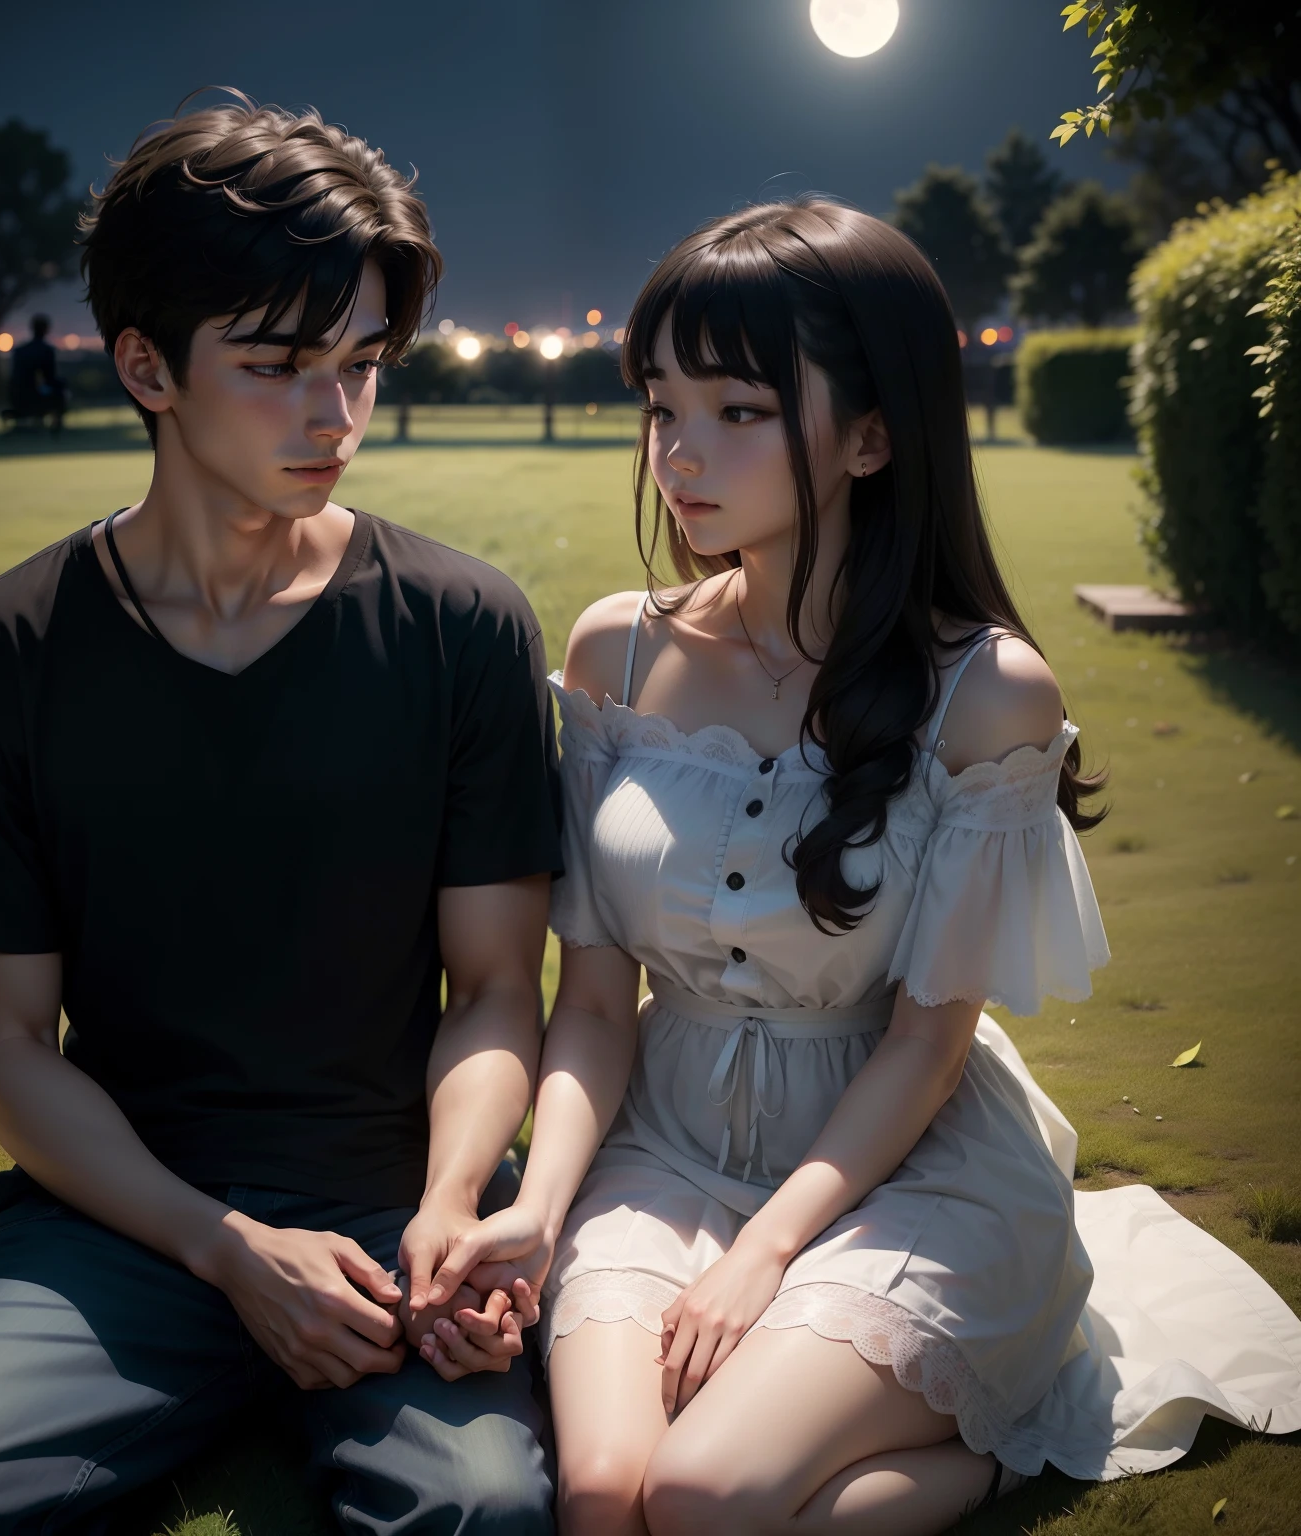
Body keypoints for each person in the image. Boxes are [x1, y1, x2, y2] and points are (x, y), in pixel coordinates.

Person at [423, 199, 1301, 1534]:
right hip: (660, 1141)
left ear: (876, 435)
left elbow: (926, 1046)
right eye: (661, 407)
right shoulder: (617, 652)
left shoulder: (985, 694)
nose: (680, 452)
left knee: (707, 1495)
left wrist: (768, 1253)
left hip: (907, 1165)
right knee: (606, 1498)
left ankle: (999, 1436)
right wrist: (539, 1205)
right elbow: (595, 1006)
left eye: (736, 409)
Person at [0, 99, 559, 1536]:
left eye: (360, 363)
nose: (335, 414)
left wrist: (458, 1204)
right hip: (118, 1217)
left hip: (389, 1210)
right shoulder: (2, 654)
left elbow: (491, 993)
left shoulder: (463, 626)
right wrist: (225, 1251)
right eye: (280, 365)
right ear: (146, 365)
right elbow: (6, 1057)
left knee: (484, 1515)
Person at [6, 314, 69, 433]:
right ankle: (56, 427)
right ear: (46, 329)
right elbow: (50, 377)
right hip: (36, 397)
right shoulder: (46, 350)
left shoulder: (20, 351)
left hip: (17, 396)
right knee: (60, 392)